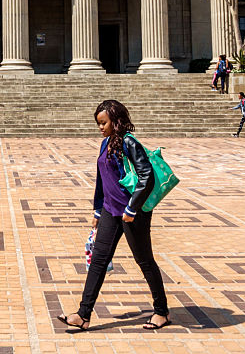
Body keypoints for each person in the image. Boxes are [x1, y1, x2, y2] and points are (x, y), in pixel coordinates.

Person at [56, 100, 169, 332]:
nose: (100, 127)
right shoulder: (105, 143)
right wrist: (97, 209)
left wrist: (132, 209)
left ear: (115, 120)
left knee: (144, 260)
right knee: (98, 260)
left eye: (103, 123)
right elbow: (101, 179)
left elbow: (146, 175)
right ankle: (83, 315)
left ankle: (161, 311)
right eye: (98, 123)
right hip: (110, 210)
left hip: (131, 213)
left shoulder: (129, 142)